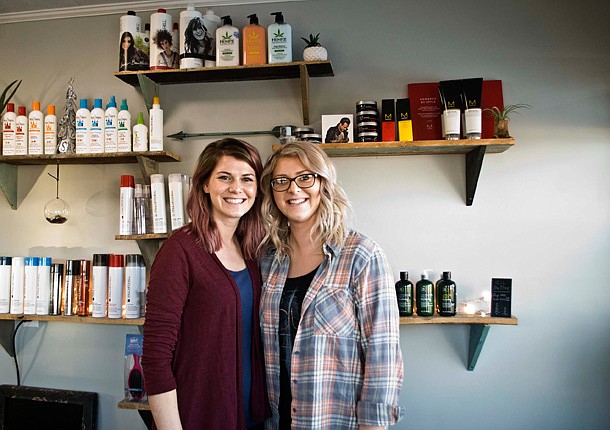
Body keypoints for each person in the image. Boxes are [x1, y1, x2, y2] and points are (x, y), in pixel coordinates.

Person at [258, 141, 404, 429]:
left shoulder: (361, 255)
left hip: (334, 420)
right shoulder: (267, 260)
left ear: (324, 184)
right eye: (282, 181)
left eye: (305, 177)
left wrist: (373, 425)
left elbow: (382, 352)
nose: (293, 189)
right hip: (276, 420)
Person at [142, 138, 269, 430]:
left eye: (247, 179)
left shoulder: (252, 251)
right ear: (205, 184)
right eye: (224, 177)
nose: (237, 188)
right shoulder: (180, 249)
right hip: (197, 416)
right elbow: (155, 355)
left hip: (251, 417)